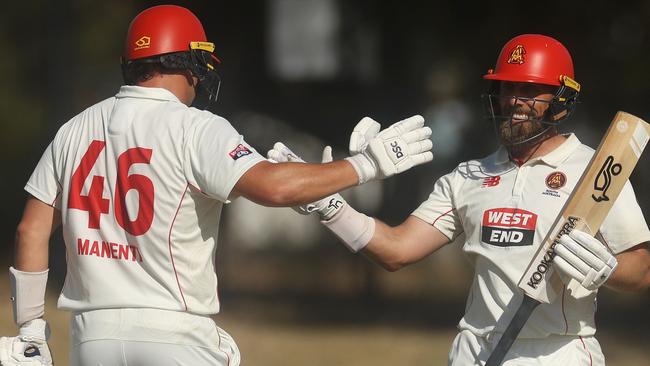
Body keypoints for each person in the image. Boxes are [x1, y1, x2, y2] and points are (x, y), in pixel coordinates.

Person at [0, 5, 434, 366]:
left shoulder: (74, 129)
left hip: (90, 338)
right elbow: (273, 188)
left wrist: (32, 328)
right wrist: (366, 164)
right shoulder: (195, 127)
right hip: (174, 333)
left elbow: (31, 231)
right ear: (190, 65)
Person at [268, 34, 650, 365]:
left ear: (562, 99)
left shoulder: (596, 171)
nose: (515, 101)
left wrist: (609, 270)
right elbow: (396, 250)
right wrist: (329, 204)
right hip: (476, 350)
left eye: (530, 90)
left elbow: (643, 269)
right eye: (507, 88)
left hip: (558, 353)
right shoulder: (468, 176)